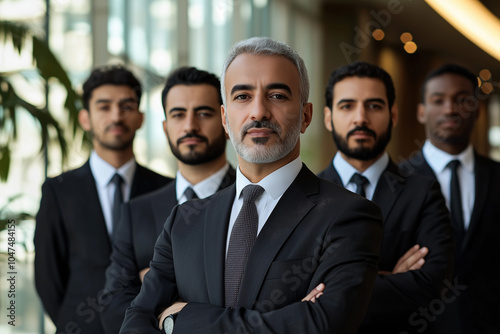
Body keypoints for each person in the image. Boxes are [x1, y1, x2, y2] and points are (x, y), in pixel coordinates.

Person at [119, 37, 383, 334]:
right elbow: (136, 320)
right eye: (242, 96)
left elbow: (323, 325)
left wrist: (180, 321)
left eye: (278, 96)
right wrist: (291, 317)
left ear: (306, 116)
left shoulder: (348, 216)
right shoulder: (184, 221)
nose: (258, 112)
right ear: (224, 118)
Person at [318, 61, 454, 333]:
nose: (360, 118)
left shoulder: (424, 193)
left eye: (374, 106)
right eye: (347, 106)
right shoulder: (305, 196)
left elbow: (434, 283)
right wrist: (389, 279)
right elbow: (293, 288)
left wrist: (334, 289)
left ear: (393, 114)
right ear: (328, 117)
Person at [34, 65, 172, 334]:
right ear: (85, 118)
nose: (116, 116)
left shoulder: (167, 189)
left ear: (140, 118)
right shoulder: (59, 191)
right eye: (104, 106)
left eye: (126, 106)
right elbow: (48, 278)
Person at [100, 66, 236, 334]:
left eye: (203, 113)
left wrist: (151, 292)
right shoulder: (135, 212)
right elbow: (114, 307)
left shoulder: (254, 199)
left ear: (226, 121)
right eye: (178, 114)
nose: (189, 126)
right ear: (165, 127)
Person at [401, 63, 500, 334]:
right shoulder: (395, 181)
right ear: (421, 111)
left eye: (461, 100)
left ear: (477, 109)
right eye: (438, 100)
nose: (450, 109)